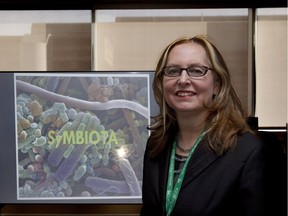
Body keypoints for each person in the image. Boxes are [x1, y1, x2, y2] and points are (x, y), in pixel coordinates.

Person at [140, 35, 285, 216]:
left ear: (217, 84)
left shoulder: (251, 151)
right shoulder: (156, 144)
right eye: (173, 71)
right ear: (162, 82)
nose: (183, 79)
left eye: (196, 70)